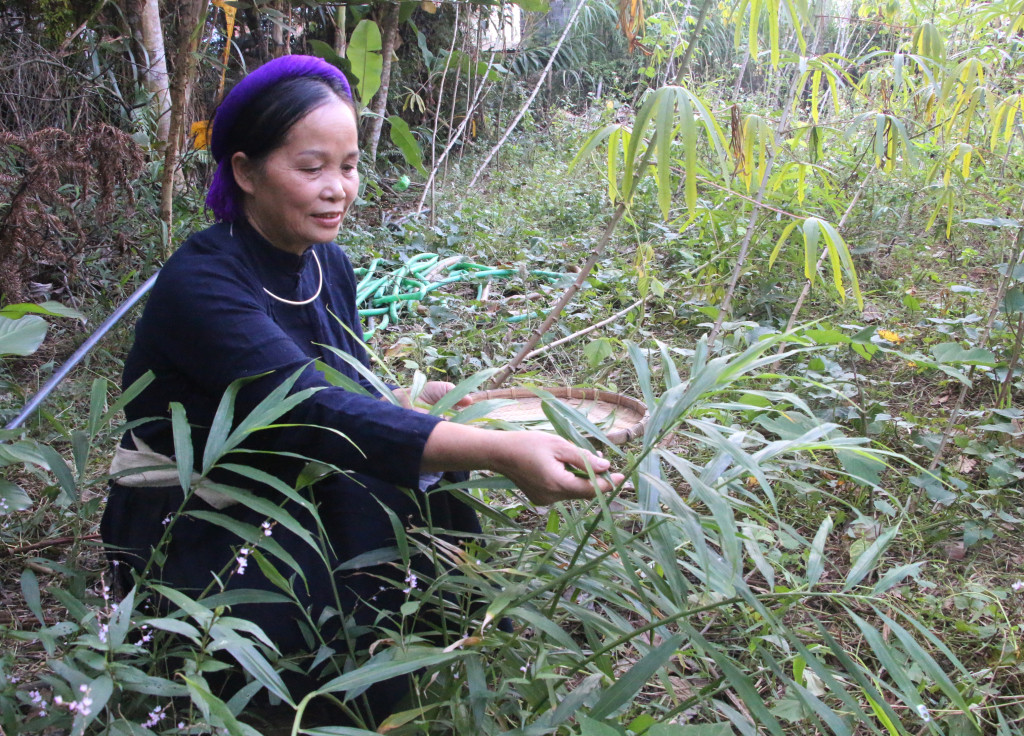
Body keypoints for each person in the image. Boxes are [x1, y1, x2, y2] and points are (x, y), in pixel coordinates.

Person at [101, 56, 622, 723]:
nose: (337, 190)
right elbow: (311, 408)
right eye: (311, 167)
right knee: (291, 647)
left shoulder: (328, 263)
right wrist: (500, 450)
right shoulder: (202, 285)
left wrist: (409, 401)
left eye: (347, 167)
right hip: (201, 507)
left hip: (292, 466)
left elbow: (339, 386)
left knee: (427, 491)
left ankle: (433, 663)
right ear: (245, 172)